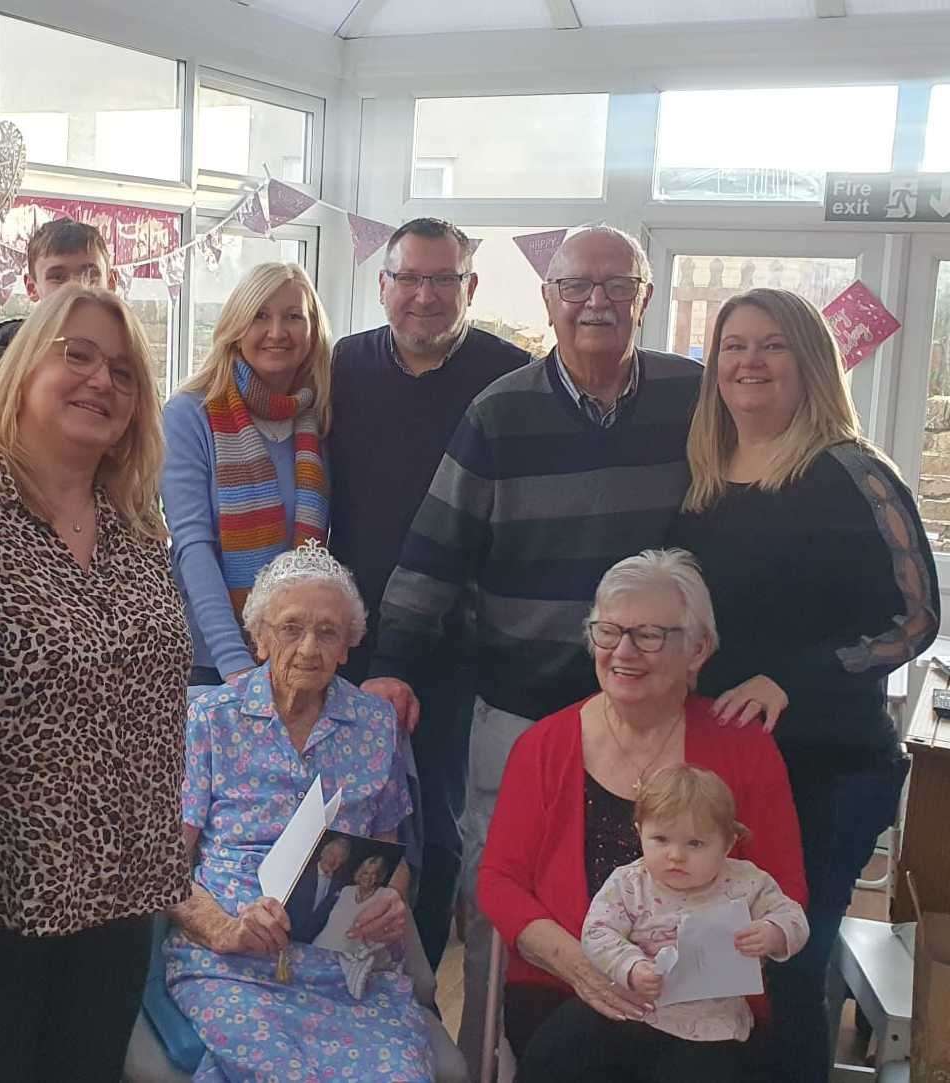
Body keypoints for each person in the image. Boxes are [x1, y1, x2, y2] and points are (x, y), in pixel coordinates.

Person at [364, 224, 704, 1069]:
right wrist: (393, 663)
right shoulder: (501, 410)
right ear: (548, 299)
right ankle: (489, 1062)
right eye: (577, 286)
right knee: (499, 905)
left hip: (655, 720)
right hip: (520, 709)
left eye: (617, 287)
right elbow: (436, 548)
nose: (597, 302)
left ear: (645, 300)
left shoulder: (695, 402)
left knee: (658, 905)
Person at [0, 284, 191, 1082]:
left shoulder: (134, 519)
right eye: (78, 355)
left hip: (124, 900)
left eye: (124, 372)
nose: (102, 382)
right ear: (24, 369)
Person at [668, 287, 939, 1083]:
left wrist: (794, 677)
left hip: (826, 767)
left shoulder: (854, 471)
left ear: (811, 361)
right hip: (717, 763)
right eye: (733, 345)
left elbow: (914, 619)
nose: (749, 362)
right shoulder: (704, 475)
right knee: (712, 961)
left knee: (786, 963)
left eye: (773, 345)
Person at [476, 549, 808, 1064]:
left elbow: (786, 886)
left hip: (705, 1004)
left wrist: (753, 941)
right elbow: (499, 882)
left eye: (649, 635)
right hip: (567, 985)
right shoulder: (544, 745)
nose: (623, 652)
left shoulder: (743, 747)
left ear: (697, 650)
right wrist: (585, 969)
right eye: (608, 631)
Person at [329, 217, 530, 971]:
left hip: (459, 651)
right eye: (407, 278)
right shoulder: (344, 365)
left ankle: (416, 985)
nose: (423, 296)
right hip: (345, 643)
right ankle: (353, 973)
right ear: (381, 285)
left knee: (439, 827)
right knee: (347, 819)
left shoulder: (510, 377)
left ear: (469, 288)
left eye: (441, 280)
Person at [167, 543, 432, 1081]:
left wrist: (391, 901)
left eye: (328, 632)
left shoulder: (375, 725)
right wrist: (222, 928)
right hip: (234, 967)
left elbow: (390, 856)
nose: (309, 648)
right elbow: (163, 861)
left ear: (347, 649)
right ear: (259, 640)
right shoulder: (212, 719)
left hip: (348, 971)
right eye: (290, 628)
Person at [516, 765, 810, 1083]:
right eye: (660, 839)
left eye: (695, 844)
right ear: (639, 831)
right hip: (632, 1008)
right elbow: (598, 931)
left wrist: (774, 932)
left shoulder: (747, 882)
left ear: (727, 843)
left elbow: (793, 918)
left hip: (712, 1025)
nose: (675, 856)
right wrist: (631, 966)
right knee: (557, 1046)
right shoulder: (629, 882)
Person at [163, 262, 334, 686]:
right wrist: (235, 664)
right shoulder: (189, 414)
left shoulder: (320, 420)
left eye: (293, 317)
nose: (277, 331)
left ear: (312, 330)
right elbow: (192, 546)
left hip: (298, 657)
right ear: (236, 326)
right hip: (211, 660)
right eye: (260, 315)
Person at [0, 217, 116, 350]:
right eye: (58, 277)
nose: (75, 288)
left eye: (90, 275)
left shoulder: (131, 359)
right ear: (32, 288)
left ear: (110, 284)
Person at [313, 854, 395, 954]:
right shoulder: (346, 890)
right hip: (320, 945)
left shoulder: (383, 896)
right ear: (360, 874)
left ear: (380, 877)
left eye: (374, 874)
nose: (369, 877)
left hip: (349, 957)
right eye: (366, 873)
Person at [286, 835, 352, 943]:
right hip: (285, 933)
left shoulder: (340, 886)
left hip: (311, 941)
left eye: (339, 857)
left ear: (343, 862)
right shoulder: (301, 871)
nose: (332, 860)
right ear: (322, 852)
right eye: (331, 853)